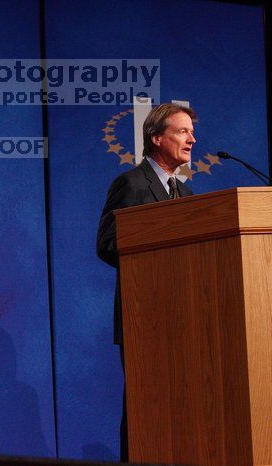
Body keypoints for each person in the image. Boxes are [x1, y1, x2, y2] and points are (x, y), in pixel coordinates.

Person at [96, 103, 197, 461]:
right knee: (144, 406)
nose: (191, 139)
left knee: (182, 407)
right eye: (182, 132)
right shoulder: (132, 184)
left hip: (183, 318)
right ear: (156, 137)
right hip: (144, 315)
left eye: (191, 132)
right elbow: (106, 243)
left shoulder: (185, 196)